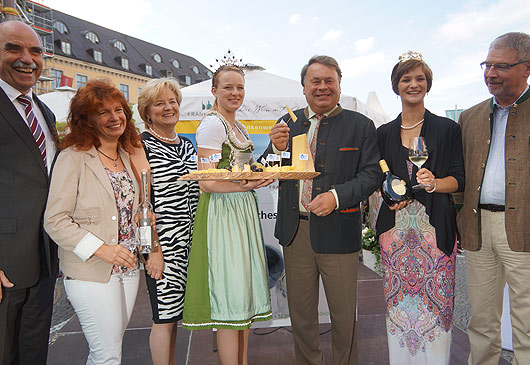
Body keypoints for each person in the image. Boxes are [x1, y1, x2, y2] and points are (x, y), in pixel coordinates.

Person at [265, 55, 381, 364]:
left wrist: (336, 196)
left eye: (329, 80)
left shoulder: (361, 125)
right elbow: (264, 168)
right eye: (315, 81)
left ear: (340, 85)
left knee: (344, 317)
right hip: (295, 232)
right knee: (301, 317)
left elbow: (372, 174)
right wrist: (275, 148)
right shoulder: (288, 122)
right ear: (303, 87)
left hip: (338, 232)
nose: (322, 87)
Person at [457, 32, 530, 364]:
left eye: (501, 66)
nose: (490, 73)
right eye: (487, 64)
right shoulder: (469, 117)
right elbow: (460, 179)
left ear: (529, 67)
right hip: (478, 231)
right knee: (480, 323)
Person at [44, 79, 144, 364]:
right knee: (107, 354)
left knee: (109, 349)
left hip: (127, 267)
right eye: (103, 112)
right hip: (91, 270)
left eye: (118, 109)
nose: (114, 118)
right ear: (86, 119)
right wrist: (102, 249)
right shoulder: (73, 157)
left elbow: (127, 208)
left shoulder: (126, 155)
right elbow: (54, 220)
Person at [376, 52, 464, 364]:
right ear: (396, 86)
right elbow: (379, 178)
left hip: (434, 234)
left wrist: (435, 183)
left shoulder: (446, 129)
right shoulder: (384, 132)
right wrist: (389, 195)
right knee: (399, 312)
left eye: (419, 79)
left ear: (427, 84)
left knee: (436, 311)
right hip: (395, 234)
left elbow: (459, 179)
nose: (413, 84)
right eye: (406, 79)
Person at [181, 64, 272, 364]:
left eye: (240, 88)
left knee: (242, 297)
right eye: (228, 87)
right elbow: (206, 182)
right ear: (214, 91)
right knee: (230, 299)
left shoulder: (240, 126)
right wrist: (247, 186)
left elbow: (242, 169)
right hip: (222, 212)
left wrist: (258, 177)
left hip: (240, 209)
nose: (235, 93)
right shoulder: (212, 125)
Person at [0, 20, 59, 364]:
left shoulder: (43, 110)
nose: (27, 59)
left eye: (35, 51)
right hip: (6, 261)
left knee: (33, 351)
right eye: (14, 48)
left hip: (45, 256)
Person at [137, 77, 200, 365]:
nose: (168, 107)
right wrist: (153, 252)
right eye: (159, 103)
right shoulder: (140, 147)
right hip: (163, 247)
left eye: (172, 101)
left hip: (190, 244)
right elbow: (141, 205)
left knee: (175, 317)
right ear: (147, 111)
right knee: (163, 317)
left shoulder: (187, 144)